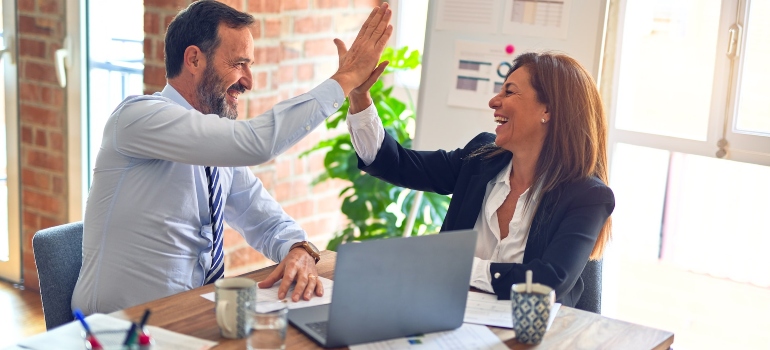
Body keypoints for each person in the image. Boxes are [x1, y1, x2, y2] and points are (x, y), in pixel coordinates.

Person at [72, 0, 392, 314]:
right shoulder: (138, 118)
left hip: (191, 318)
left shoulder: (216, 149)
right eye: (239, 63)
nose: (248, 81)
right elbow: (257, 143)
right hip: (118, 330)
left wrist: (298, 248)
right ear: (194, 59)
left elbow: (262, 216)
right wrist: (346, 79)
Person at [345, 52, 615, 307]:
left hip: (532, 337)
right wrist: (359, 97)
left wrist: (457, 266)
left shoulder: (587, 196)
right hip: (450, 319)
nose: (494, 101)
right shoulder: (480, 159)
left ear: (548, 110)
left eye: (509, 92)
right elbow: (397, 164)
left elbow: (547, 283)